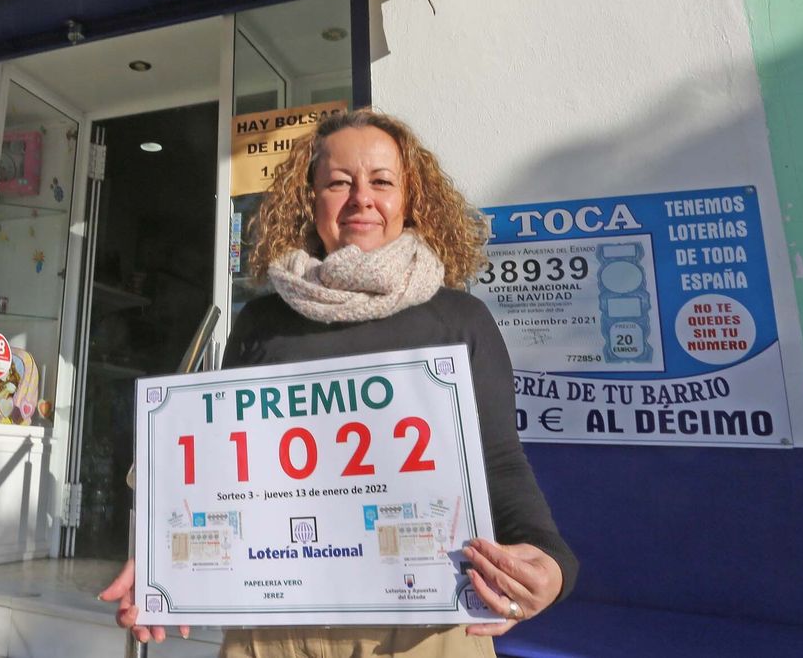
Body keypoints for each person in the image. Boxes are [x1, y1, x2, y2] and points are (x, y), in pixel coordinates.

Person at [100, 108, 576, 657]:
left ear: (410, 198)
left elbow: (498, 460)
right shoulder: (260, 323)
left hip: (425, 628)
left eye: (382, 181)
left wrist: (550, 559)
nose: (361, 198)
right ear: (310, 199)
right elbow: (218, 468)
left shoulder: (460, 320)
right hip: (273, 629)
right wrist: (166, 558)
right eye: (338, 183)